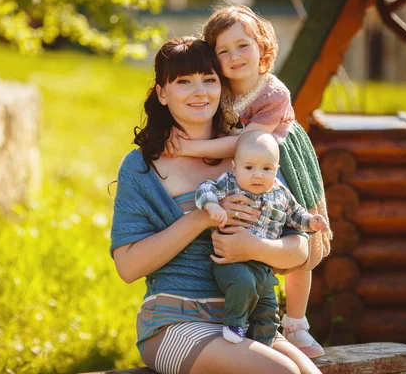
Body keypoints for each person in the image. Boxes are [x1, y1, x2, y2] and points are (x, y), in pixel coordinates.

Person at [111, 36, 321, 374]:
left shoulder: (249, 154)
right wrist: (200, 218)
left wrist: (255, 246)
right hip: (174, 323)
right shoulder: (142, 168)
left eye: (209, 80)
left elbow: (299, 250)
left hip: (250, 320)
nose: (200, 91)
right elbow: (128, 267)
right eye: (184, 82)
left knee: (309, 372)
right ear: (162, 93)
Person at [163, 4, 332, 358]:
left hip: (278, 161)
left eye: (243, 45)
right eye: (222, 51)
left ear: (263, 47)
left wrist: (191, 148)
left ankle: (297, 322)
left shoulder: (274, 93)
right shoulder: (219, 88)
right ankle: (256, 309)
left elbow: (245, 140)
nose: (234, 56)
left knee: (298, 238)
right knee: (253, 232)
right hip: (243, 168)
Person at [195, 131, 328, 345]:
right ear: (235, 168)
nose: (258, 175)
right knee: (243, 283)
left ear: (276, 170)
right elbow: (205, 188)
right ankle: (235, 324)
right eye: (249, 168)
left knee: (268, 306)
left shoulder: (281, 193)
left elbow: (295, 214)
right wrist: (212, 205)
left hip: (264, 265)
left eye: (266, 169)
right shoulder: (230, 184)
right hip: (233, 260)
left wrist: (311, 222)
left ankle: (265, 343)